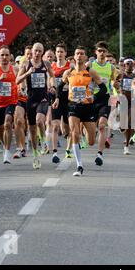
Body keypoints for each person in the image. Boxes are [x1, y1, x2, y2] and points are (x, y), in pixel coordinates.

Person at [53, 46, 106, 176]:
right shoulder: (68, 72)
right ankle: (79, 166)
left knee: (91, 141)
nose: (79, 56)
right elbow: (60, 87)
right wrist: (57, 99)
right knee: (74, 133)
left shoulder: (91, 72)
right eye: (77, 53)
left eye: (82, 54)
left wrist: (93, 97)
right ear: (74, 56)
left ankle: (84, 131)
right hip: (73, 106)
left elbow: (103, 89)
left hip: (88, 107)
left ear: (85, 57)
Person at [16, 43, 56, 169]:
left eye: (40, 51)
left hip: (43, 98)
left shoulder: (46, 64)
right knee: (32, 130)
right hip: (30, 99)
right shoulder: (26, 64)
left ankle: (44, 142)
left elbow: (52, 76)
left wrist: (52, 86)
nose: (37, 53)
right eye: (35, 51)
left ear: (42, 53)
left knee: (40, 120)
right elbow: (17, 80)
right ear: (32, 52)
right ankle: (35, 156)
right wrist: (27, 73)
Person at [88, 41, 118, 166]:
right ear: (96, 52)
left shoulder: (111, 67)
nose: (101, 53)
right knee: (91, 133)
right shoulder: (90, 64)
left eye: (103, 51)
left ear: (106, 53)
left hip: (105, 99)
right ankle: (91, 136)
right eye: (99, 51)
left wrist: (116, 84)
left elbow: (116, 79)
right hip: (91, 98)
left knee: (102, 126)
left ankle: (99, 154)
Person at [51, 43, 72, 162]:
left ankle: (68, 150)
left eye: (61, 52)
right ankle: (54, 153)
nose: (59, 54)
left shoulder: (70, 66)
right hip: (56, 99)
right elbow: (49, 80)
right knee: (55, 126)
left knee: (68, 128)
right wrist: (51, 87)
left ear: (65, 53)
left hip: (68, 99)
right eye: (57, 52)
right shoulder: (52, 66)